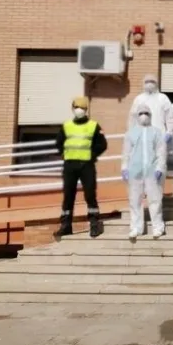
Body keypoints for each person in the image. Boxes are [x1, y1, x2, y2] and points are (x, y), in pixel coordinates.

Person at [54, 96, 108, 238]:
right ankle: (66, 225)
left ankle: (94, 224)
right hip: (70, 166)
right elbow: (59, 143)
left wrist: (92, 155)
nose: (79, 110)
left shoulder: (93, 126)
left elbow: (102, 144)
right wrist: (63, 154)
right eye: (77, 107)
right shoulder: (66, 126)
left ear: (86, 109)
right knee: (68, 196)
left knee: (90, 195)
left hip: (86, 165)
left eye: (82, 108)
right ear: (73, 109)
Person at [121, 103, 166, 240]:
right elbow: (126, 153)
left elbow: (161, 152)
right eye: (141, 113)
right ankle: (136, 228)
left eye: (146, 113)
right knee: (135, 200)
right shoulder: (130, 133)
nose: (143, 116)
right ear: (136, 116)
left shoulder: (157, 132)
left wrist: (160, 167)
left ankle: (158, 227)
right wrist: (124, 167)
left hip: (152, 171)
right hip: (135, 170)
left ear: (150, 116)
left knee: (155, 199)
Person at [128, 74, 173, 142]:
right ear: (143, 84)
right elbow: (133, 117)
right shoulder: (139, 99)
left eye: (152, 82)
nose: (149, 84)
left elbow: (170, 117)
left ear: (156, 84)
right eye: (147, 82)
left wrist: (169, 132)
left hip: (160, 135)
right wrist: (132, 132)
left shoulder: (163, 98)